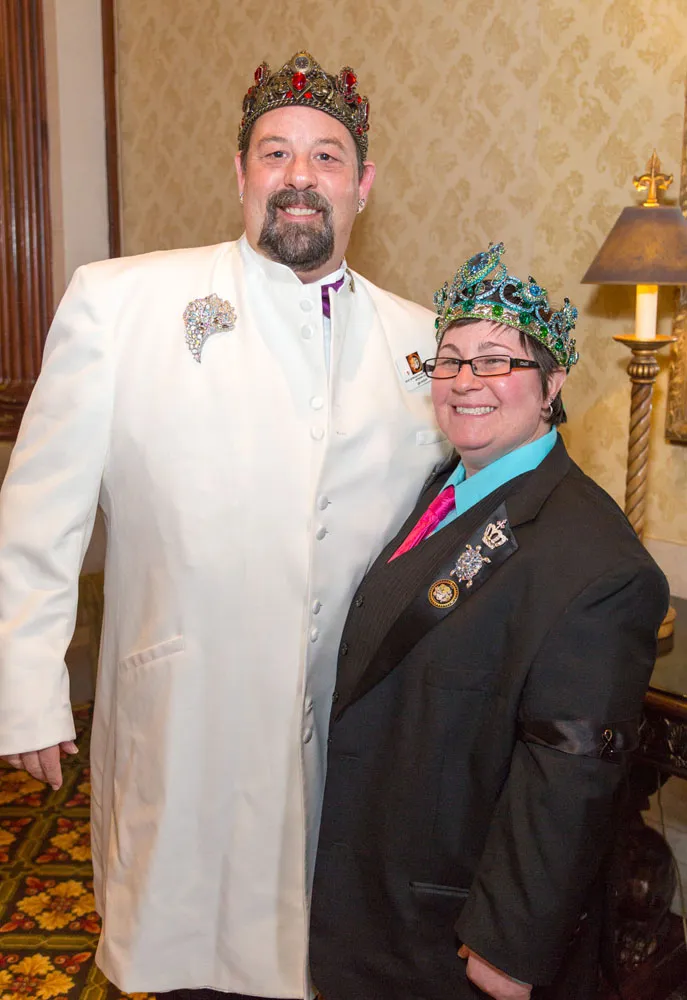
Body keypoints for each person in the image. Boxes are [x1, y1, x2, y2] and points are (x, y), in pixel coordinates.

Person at [0, 51, 447, 999]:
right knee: (192, 963)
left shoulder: (422, 342)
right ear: (240, 174)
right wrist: (27, 687)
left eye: (326, 157)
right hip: (187, 714)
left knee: (334, 958)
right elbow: (39, 511)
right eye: (275, 152)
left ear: (363, 184)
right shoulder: (121, 303)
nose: (299, 176)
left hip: (350, 734)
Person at [310, 242, 670, 1000]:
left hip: (448, 924)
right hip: (371, 877)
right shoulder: (442, 486)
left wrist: (508, 944)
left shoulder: (597, 564)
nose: (466, 381)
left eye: (496, 361)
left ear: (551, 384)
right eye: (450, 360)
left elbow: (569, 770)